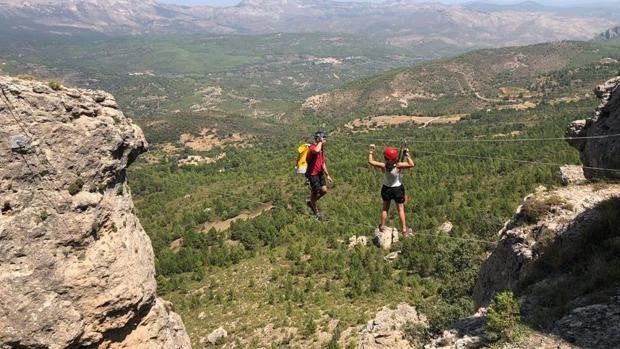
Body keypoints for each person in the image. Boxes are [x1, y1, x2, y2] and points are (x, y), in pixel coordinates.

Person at [368, 144, 415, 236]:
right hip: (397, 189)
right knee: (400, 209)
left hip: (386, 188)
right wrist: (407, 155)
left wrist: (371, 150)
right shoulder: (398, 166)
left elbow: (371, 161)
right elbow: (411, 164)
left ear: (385, 157)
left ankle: (382, 226)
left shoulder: (383, 166)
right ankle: (404, 229)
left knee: (385, 208)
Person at [306, 131, 333, 220]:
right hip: (312, 174)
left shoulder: (321, 149)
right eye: (323, 138)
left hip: (319, 173)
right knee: (316, 192)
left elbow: (322, 163)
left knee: (324, 191)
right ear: (318, 139)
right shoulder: (312, 148)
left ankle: (311, 201)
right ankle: (315, 210)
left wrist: (327, 175)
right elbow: (316, 150)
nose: (325, 140)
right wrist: (320, 142)